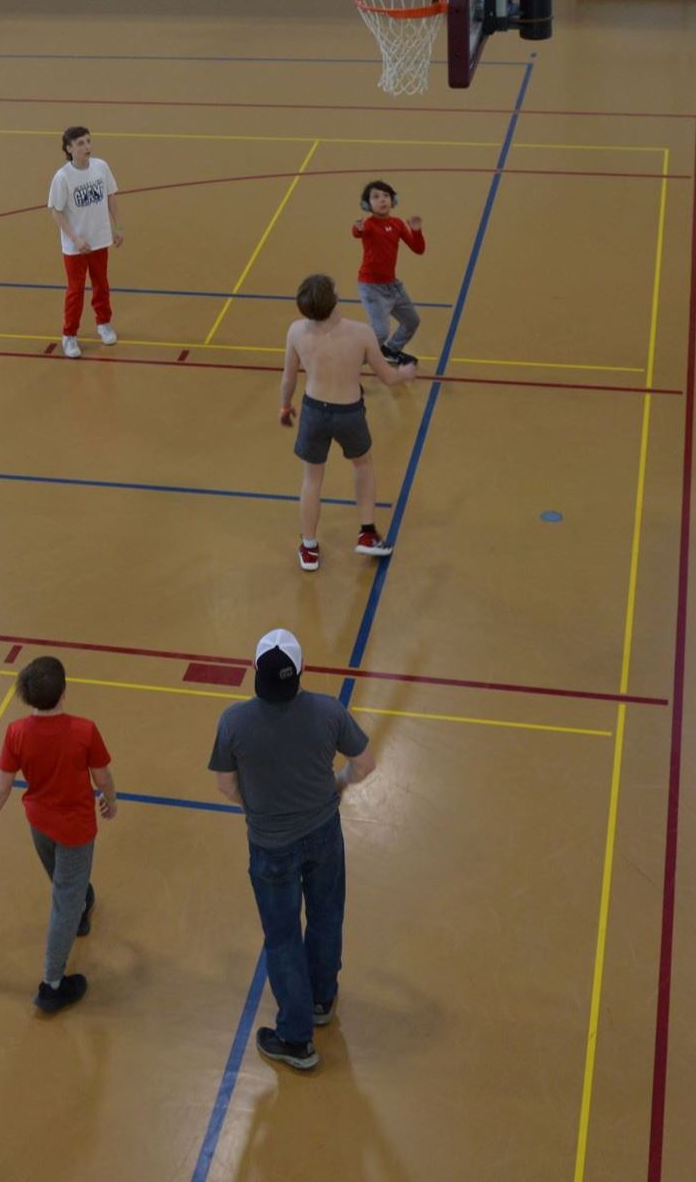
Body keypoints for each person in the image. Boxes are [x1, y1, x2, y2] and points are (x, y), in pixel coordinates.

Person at [209, 627, 376, 1072]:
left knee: (282, 938)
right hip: (323, 832)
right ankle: (323, 999)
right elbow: (364, 763)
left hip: (270, 845)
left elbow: (225, 783)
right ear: (302, 670)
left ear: (254, 673)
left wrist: (255, 806)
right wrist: (337, 785)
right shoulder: (328, 711)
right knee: (326, 916)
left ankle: (296, 1038)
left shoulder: (233, 722)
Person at [0, 656, 117, 1014]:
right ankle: (52, 983)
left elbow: (1, 786)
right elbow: (102, 778)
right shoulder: (84, 731)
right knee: (63, 902)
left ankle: (81, 902)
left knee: (66, 883)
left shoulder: (17, 733)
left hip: (39, 824)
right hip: (76, 830)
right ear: (64, 691)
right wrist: (110, 802)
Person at [278, 272, 415, 570]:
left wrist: (285, 406)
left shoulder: (296, 332)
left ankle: (310, 549)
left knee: (312, 479)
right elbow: (388, 376)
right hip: (349, 412)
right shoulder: (361, 333)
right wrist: (404, 373)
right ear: (335, 299)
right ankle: (367, 534)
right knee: (363, 465)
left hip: (314, 411)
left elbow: (289, 377)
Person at [48, 125, 123, 360]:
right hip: (76, 248)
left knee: (102, 283)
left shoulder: (101, 167)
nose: (87, 146)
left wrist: (117, 226)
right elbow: (56, 211)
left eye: (88, 141)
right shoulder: (62, 177)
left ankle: (104, 323)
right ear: (70, 149)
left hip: (100, 240)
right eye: (80, 143)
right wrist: (75, 239)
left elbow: (111, 196)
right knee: (76, 290)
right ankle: (69, 335)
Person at [353, 179, 426, 365]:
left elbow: (418, 249)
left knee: (412, 321)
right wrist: (357, 228)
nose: (382, 200)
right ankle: (354, 360)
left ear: (393, 200)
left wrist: (416, 231)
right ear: (367, 204)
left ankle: (391, 350)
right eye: (376, 197)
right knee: (380, 332)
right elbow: (358, 232)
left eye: (386, 195)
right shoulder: (369, 225)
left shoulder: (398, 224)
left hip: (393, 286)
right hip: (371, 287)